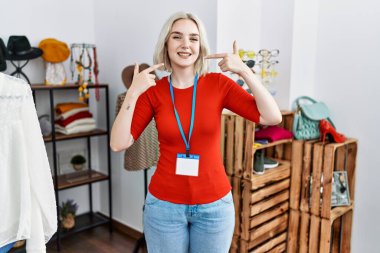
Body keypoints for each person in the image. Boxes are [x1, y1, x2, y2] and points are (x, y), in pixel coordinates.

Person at [110, 11, 281, 253]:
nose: (185, 44)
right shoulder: (154, 91)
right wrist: (133, 93)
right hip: (164, 208)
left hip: (214, 208)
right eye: (177, 37)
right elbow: (118, 143)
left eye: (193, 38)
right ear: (166, 43)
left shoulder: (218, 84)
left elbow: (272, 116)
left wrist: (244, 71)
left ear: (200, 46)